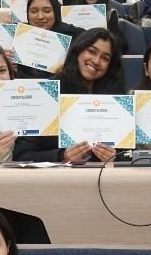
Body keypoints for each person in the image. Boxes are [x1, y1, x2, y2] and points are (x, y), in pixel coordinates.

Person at [13, 28, 123, 162]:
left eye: (105, 58)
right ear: (78, 51)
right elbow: (22, 155)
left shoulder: (116, 99)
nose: (96, 60)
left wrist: (115, 157)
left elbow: (130, 155)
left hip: (107, 179)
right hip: (55, 180)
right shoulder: (46, 93)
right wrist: (62, 156)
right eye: (92, 51)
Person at [17, 0, 84, 79]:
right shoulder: (20, 37)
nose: (40, 16)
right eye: (34, 11)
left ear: (56, 12)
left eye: (47, 11)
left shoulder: (73, 35)